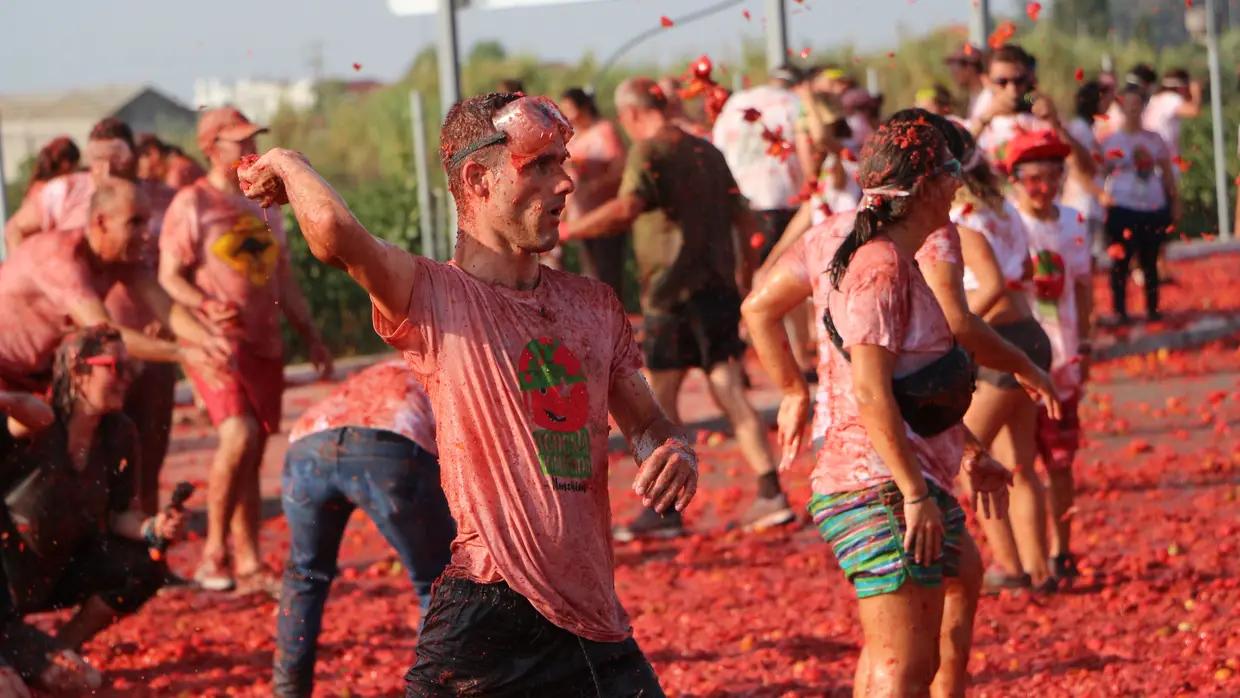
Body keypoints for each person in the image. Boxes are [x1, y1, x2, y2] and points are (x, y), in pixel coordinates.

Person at [236, 90, 696, 697]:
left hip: (594, 617)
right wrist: (290, 163)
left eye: (565, 162)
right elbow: (335, 237)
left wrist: (673, 453)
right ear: (478, 179)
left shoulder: (594, 307)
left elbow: (649, 426)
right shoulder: (434, 297)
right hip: (490, 605)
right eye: (541, 165)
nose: (565, 185)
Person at [743, 116, 1013, 696]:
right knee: (904, 663)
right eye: (950, 172)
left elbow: (761, 310)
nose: (960, 184)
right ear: (920, 190)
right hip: (880, 480)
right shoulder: (884, 263)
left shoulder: (863, 242)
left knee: (906, 648)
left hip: (888, 473)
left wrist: (795, 391)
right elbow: (874, 388)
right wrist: (915, 493)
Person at [563, 77, 793, 537]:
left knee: (657, 405)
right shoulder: (708, 152)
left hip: (671, 296)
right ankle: (771, 493)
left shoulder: (649, 152)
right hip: (718, 292)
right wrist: (745, 279)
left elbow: (627, 208)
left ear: (630, 114)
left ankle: (665, 511)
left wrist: (570, 231)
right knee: (729, 389)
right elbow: (743, 218)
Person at [159, 106, 331, 593]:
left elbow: (284, 279)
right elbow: (168, 277)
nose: (249, 148)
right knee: (237, 436)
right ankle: (214, 552)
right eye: (238, 141)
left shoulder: (266, 205)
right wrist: (204, 305)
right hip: (217, 344)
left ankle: (249, 561)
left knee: (253, 452)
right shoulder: (191, 204)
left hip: (265, 344)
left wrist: (312, 335)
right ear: (211, 147)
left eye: (253, 138)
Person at [0, 327, 187, 678]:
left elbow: (120, 515)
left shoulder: (119, 433)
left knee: (144, 564)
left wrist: (153, 528)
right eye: (116, 368)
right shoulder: (34, 424)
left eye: (131, 369)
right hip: (8, 577)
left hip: (62, 570)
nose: (126, 380)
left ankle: (62, 648)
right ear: (77, 368)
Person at [274, 360, 454, 698]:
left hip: (307, 448)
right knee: (439, 582)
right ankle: (432, 692)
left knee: (305, 575)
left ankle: (288, 692)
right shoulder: (445, 370)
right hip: (388, 447)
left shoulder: (387, 366)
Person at [0, 179, 229, 396]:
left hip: (37, 377)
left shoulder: (124, 257)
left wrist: (210, 343)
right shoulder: (60, 257)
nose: (146, 234)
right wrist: (182, 354)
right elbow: (103, 331)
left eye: (146, 222)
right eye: (135, 223)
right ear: (101, 222)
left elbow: (166, 308)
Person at [951, 128, 1055, 592]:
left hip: (997, 340)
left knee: (965, 457)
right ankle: (1039, 570)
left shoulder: (960, 215)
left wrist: (951, 328)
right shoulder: (1003, 207)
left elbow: (990, 284)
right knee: (1019, 461)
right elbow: (1026, 271)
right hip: (1029, 334)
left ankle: (1009, 566)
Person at [1007, 130, 1095, 587]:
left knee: (1060, 462)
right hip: (1017, 364)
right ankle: (1028, 560)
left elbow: (1082, 285)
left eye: (1052, 177)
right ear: (1016, 180)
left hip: (1061, 362)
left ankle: (1062, 551)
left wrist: (1084, 345)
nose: (1043, 188)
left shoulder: (1074, 222)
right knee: (1019, 466)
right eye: (1033, 179)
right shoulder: (1006, 226)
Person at [711, 65, 806, 262]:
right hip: (786, 203)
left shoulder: (735, 103)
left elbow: (717, 150)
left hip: (744, 203)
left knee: (750, 271)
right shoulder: (796, 103)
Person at [1100, 85, 1178, 324]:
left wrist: (1174, 203)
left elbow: (1167, 173)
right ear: (1122, 108)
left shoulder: (1154, 139)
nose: (1133, 111)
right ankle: (1120, 311)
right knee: (1121, 261)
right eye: (1129, 106)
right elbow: (1100, 173)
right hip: (1123, 206)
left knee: (1150, 260)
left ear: (1143, 108)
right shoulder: (1111, 140)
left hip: (1152, 207)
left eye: (1138, 106)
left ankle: (1152, 309)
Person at [4, 118, 135, 252]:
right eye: (99, 159)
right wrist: (27, 270)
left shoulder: (152, 197)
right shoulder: (65, 190)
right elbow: (15, 229)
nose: (107, 169)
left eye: (116, 159)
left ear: (133, 158)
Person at [972, 45, 1089, 173]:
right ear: (986, 81)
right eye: (1002, 82)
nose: (1013, 90)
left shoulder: (1039, 109)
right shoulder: (979, 113)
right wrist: (983, 121)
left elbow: (1087, 171)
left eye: (1019, 81)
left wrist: (1056, 125)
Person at [559, 87, 628, 298]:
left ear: (584, 106)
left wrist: (594, 185)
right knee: (589, 275)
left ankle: (613, 324)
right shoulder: (574, 137)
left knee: (606, 275)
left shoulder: (604, 130)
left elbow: (619, 168)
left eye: (571, 108)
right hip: (581, 216)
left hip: (604, 213)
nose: (568, 114)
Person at [1062, 81, 1109, 264]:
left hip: (1089, 203)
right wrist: (1099, 192)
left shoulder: (1087, 129)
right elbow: (1075, 167)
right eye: (1104, 101)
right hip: (1081, 204)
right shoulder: (1079, 129)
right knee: (1084, 260)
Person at [20, 137, 80, 207]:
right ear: (65, 164)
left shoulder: (36, 188)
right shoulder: (56, 192)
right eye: (75, 167)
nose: (76, 174)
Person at [944, 44, 989, 123]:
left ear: (969, 68)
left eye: (954, 65)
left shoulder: (988, 98)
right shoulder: (975, 98)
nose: (952, 73)